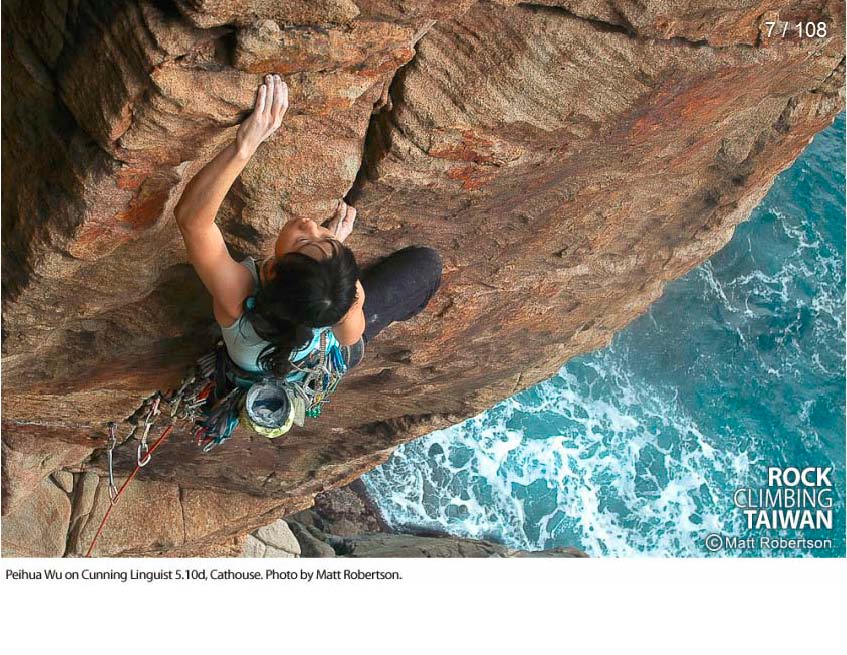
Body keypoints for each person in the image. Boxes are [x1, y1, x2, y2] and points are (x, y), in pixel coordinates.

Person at [173, 73, 443, 398]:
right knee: (428, 265)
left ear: (272, 271)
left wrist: (245, 146)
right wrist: (331, 271)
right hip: (314, 359)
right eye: (325, 238)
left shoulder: (237, 299)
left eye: (304, 241)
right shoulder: (344, 307)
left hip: (263, 361)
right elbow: (348, 337)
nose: (310, 224)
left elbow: (192, 221)